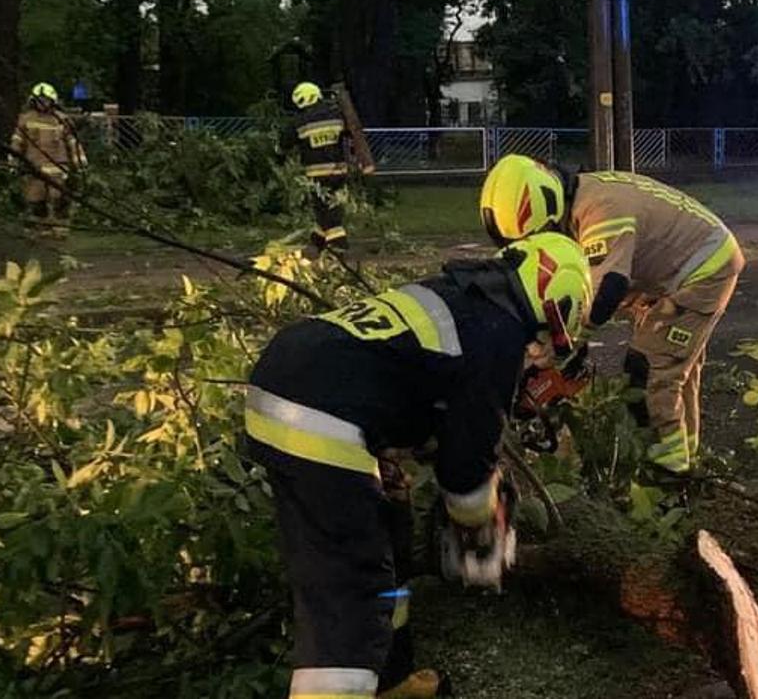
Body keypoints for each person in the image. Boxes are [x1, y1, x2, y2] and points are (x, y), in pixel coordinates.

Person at [244, 232, 592, 699]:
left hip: (284, 380)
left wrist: (389, 451)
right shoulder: (500, 334)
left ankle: (391, 678)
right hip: (319, 416)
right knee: (354, 592)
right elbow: (465, 473)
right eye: (548, 342)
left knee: (386, 534)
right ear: (554, 306)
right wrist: (480, 532)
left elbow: (403, 385)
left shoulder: (453, 297)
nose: (540, 355)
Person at [478, 155, 744, 474]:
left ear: (548, 213)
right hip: (679, 263)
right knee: (676, 370)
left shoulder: (600, 213)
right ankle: (688, 461)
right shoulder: (582, 194)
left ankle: (665, 477)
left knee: (648, 372)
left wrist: (567, 343)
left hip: (702, 270)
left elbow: (607, 291)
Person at [9, 82, 83, 237]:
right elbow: (17, 141)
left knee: (59, 198)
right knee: (35, 199)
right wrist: (13, 159)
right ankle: (39, 229)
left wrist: (79, 161)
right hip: (34, 166)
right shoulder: (25, 119)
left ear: (52, 101)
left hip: (58, 166)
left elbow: (72, 142)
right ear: (33, 101)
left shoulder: (61, 119)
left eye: (46, 100)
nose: (43, 103)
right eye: (39, 100)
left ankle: (60, 229)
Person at [287, 81, 352, 256]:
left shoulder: (300, 122)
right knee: (331, 206)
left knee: (324, 209)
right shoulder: (337, 115)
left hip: (317, 174)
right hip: (340, 171)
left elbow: (285, 143)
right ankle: (317, 241)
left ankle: (339, 244)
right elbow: (350, 134)